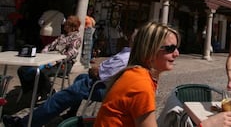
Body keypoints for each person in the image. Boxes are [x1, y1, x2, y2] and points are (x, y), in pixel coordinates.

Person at [94, 21, 231, 127]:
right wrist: (207, 125)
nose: (177, 53)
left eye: (177, 48)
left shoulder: (137, 74)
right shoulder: (140, 83)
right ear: (149, 50)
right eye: (170, 48)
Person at [2, 31, 133, 127]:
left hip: (104, 86)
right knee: (80, 78)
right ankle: (70, 111)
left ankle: (25, 123)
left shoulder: (125, 57)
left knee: (63, 95)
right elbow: (49, 46)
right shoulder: (62, 36)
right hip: (106, 83)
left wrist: (95, 69)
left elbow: (98, 73)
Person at [17, 15, 82, 100]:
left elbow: (70, 54)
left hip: (63, 64)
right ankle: (36, 90)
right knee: (22, 70)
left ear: (73, 27)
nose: (65, 26)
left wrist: (56, 60)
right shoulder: (62, 36)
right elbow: (50, 45)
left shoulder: (76, 38)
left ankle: (49, 92)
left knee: (40, 72)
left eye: (67, 25)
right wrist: (44, 52)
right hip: (49, 60)